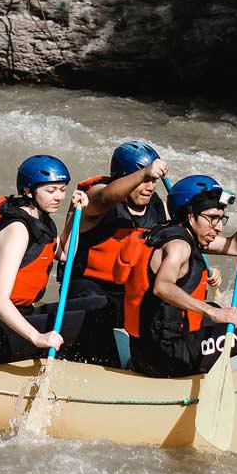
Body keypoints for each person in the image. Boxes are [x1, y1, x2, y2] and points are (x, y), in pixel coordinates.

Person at [114, 175, 237, 378]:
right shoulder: (179, 247)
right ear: (190, 216)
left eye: (221, 218)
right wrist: (212, 313)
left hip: (143, 352)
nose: (219, 227)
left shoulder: (164, 234)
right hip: (169, 358)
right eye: (212, 218)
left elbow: (236, 246)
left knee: (214, 310)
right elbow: (162, 286)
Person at [0, 155, 102, 364]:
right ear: (28, 190)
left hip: (24, 314)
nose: (58, 197)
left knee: (100, 304)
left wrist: (75, 211)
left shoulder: (40, 220)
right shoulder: (18, 230)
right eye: (50, 190)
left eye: (62, 189)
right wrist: (38, 338)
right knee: (93, 322)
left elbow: (66, 254)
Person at [63, 141, 172, 365]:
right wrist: (144, 172)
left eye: (153, 181)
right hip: (88, 288)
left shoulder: (157, 206)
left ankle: (154, 363)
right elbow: (104, 198)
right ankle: (105, 365)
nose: (149, 186)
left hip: (127, 292)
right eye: (144, 180)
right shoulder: (94, 197)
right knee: (99, 306)